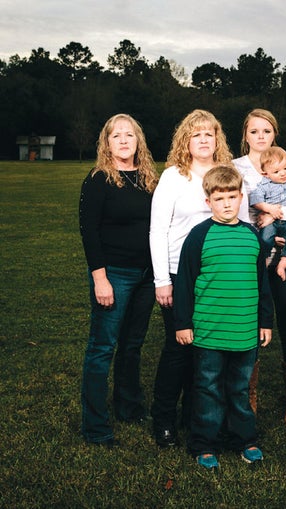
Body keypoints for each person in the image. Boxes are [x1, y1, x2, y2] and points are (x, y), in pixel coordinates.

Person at [150, 109, 250, 447]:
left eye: (209, 133)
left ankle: (198, 420)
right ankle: (163, 419)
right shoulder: (173, 178)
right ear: (186, 141)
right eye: (196, 134)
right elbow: (157, 229)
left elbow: (244, 224)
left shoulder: (230, 174)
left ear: (217, 138)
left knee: (209, 351)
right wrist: (162, 279)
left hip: (220, 277)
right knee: (179, 348)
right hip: (180, 274)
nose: (203, 139)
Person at [174, 165, 273, 470]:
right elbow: (185, 282)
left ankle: (244, 439)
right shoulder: (198, 237)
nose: (227, 203)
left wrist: (265, 322)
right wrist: (183, 323)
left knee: (239, 389)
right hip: (209, 331)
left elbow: (262, 283)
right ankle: (205, 443)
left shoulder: (252, 236)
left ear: (241, 197)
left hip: (244, 332)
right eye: (220, 198)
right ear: (209, 202)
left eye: (232, 196)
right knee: (208, 388)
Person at [79, 113, 159, 446]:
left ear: (138, 140)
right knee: (102, 348)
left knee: (132, 345)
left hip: (147, 275)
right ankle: (96, 426)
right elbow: (89, 232)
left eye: (129, 134)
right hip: (115, 274)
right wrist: (101, 279)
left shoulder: (149, 178)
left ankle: (128, 406)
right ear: (107, 143)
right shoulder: (99, 179)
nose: (124, 140)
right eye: (116, 135)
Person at [233, 108, 286, 425]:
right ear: (245, 135)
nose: (260, 137)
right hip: (250, 258)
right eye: (254, 131)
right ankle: (248, 397)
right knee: (250, 328)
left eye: (266, 131)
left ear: (275, 133)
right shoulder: (235, 167)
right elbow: (228, 209)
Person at [249, 146, 286, 281]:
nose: (283, 173)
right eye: (276, 171)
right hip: (270, 223)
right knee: (266, 238)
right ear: (265, 174)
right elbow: (255, 200)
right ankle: (263, 261)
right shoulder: (263, 185)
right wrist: (268, 208)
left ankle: (283, 264)